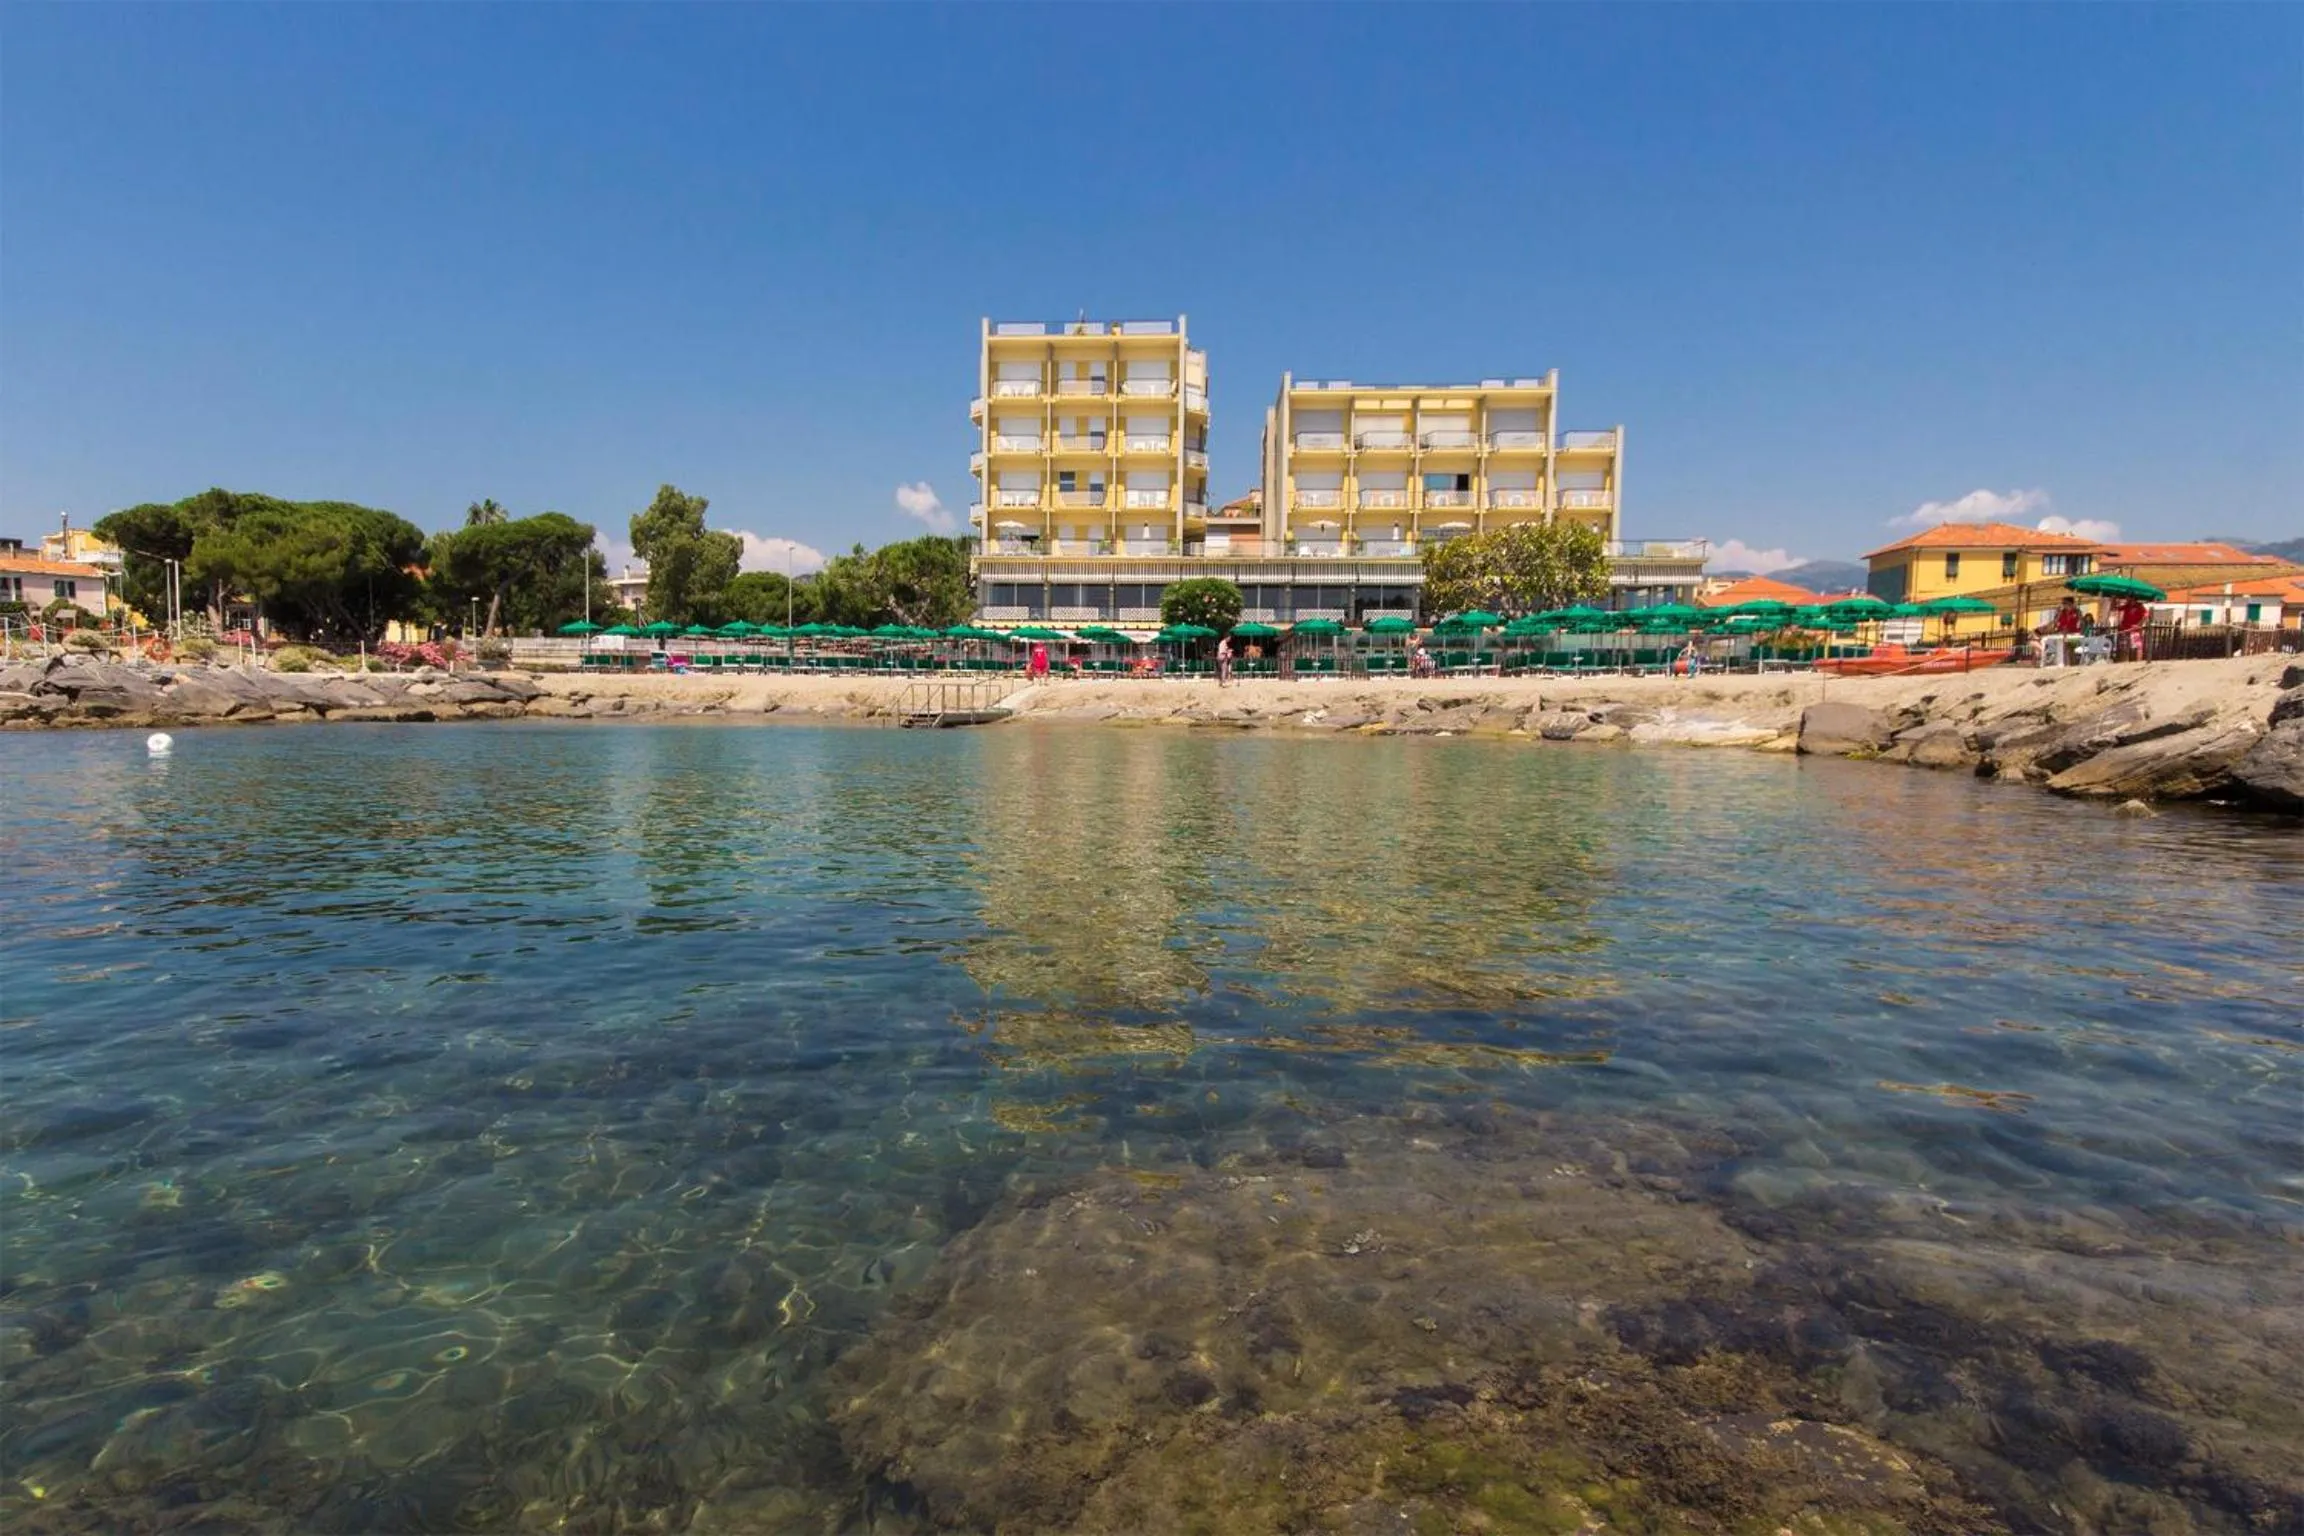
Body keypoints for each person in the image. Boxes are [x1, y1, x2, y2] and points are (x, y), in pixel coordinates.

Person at [2037, 597, 2082, 667]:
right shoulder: (2062, 612)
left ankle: (2068, 664)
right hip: (2062, 634)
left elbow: (2080, 623)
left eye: (2065, 603)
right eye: (2063, 603)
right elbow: (2055, 622)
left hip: (2074, 634)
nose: (2064, 605)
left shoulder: (2077, 612)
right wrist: (2058, 613)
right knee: (2064, 645)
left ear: (2071, 604)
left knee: (2068, 647)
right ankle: (2064, 664)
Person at [2116, 595, 2147, 661]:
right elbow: (2116, 608)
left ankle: (2138, 661)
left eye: (2128, 598)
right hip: (2126, 629)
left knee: (2138, 646)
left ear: (2133, 598)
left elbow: (2146, 615)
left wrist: (2139, 624)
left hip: (2134, 630)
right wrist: (2114, 599)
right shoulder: (2127, 606)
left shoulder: (2140, 606)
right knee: (2125, 647)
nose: (2127, 600)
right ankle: (2124, 661)